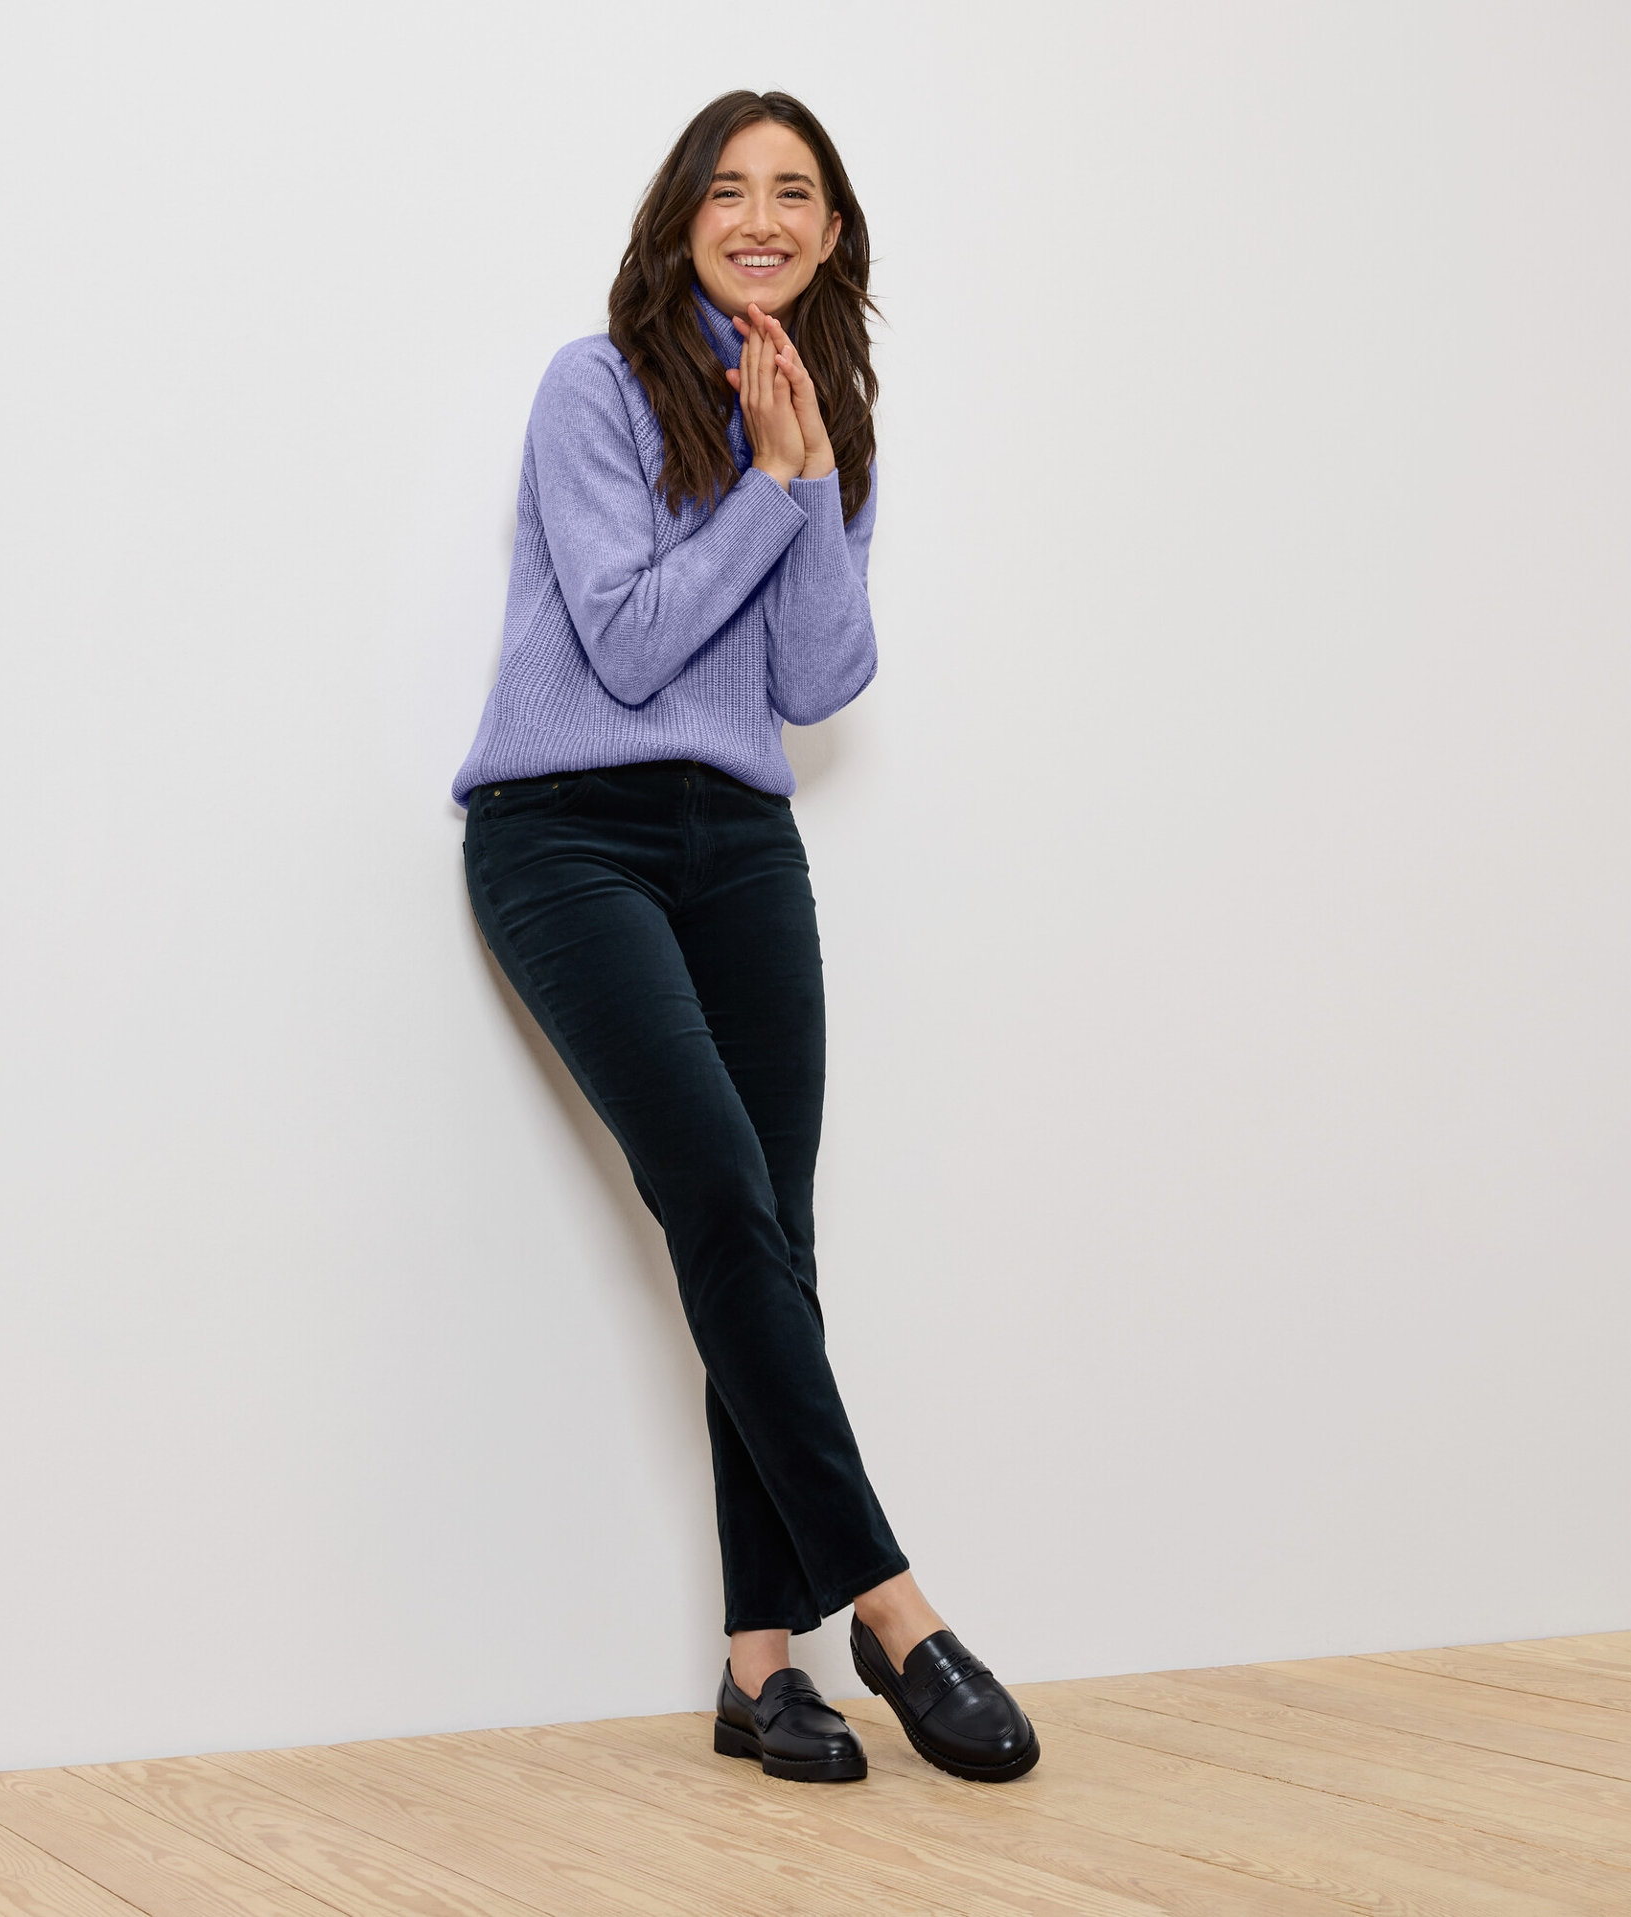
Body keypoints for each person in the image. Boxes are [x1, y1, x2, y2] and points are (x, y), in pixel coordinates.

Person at [454, 89, 1037, 1786]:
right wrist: (770, 495)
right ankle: (898, 1607)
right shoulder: (597, 384)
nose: (760, 216)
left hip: (740, 843)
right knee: (715, 1188)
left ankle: (756, 1669)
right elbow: (628, 647)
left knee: (763, 1234)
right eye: (729, 190)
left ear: (833, 231)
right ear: (680, 216)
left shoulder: (822, 411)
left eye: (794, 193)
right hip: (565, 835)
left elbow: (815, 680)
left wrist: (804, 475)